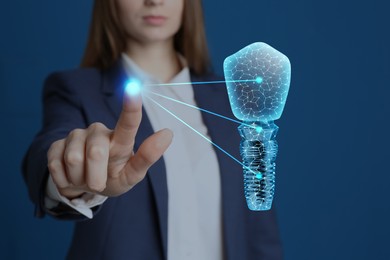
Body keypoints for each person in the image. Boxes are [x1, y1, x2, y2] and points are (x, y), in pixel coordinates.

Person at [22, 0, 283, 259]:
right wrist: (69, 174)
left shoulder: (230, 102)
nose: (154, 1)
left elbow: (258, 228)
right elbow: (48, 151)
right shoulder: (76, 90)